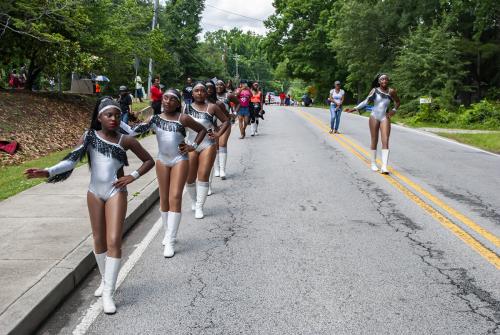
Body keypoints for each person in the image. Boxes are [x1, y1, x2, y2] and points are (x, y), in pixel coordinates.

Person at [25, 98, 155, 314]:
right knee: (98, 239)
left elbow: (149, 160)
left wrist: (131, 176)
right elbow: (71, 161)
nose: (113, 118)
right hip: (94, 192)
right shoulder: (89, 137)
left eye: (116, 114)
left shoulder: (126, 140)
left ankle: (108, 293)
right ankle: (105, 280)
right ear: (99, 117)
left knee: (114, 240)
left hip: (116, 192)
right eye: (108, 115)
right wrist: (47, 171)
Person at [120, 89, 207, 257]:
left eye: (172, 99)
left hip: (179, 160)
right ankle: (167, 233)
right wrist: (118, 121)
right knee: (164, 198)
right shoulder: (155, 119)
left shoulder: (183, 118)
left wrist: (193, 146)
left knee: (175, 197)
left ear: (178, 103)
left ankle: (171, 240)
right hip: (162, 160)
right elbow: (133, 132)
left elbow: (202, 130)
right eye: (165, 98)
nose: (167, 101)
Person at [184, 82, 230, 219]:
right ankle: (193, 201)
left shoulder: (212, 107)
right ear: (192, 93)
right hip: (191, 144)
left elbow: (226, 121)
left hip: (207, 144)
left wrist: (218, 134)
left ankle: (199, 206)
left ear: (206, 93)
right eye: (196, 91)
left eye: (202, 91)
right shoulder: (185, 108)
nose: (199, 93)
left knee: (203, 176)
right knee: (189, 178)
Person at [346, 74, 400, 174]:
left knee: (385, 140)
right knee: (374, 140)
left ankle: (384, 166)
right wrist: (355, 108)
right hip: (374, 116)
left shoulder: (391, 91)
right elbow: (366, 101)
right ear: (379, 81)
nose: (384, 80)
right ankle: (373, 163)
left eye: (386, 79)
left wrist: (393, 111)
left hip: (385, 117)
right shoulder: (375, 90)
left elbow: (397, 102)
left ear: (388, 81)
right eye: (382, 79)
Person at [213, 79, 239, 180]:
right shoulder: (211, 96)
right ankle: (216, 168)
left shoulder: (229, 95)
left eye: (221, 85)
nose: (219, 87)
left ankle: (223, 169)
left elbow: (238, 103)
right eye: (217, 85)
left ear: (224, 86)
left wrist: (235, 113)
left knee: (222, 143)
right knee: (215, 146)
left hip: (225, 122)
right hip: (214, 123)